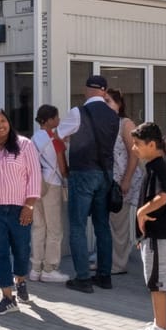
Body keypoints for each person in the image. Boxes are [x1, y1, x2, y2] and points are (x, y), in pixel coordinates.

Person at [62, 74, 120, 293]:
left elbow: (60, 135)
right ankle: (104, 276)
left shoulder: (78, 112)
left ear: (87, 90)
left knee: (77, 226)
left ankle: (83, 279)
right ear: (104, 92)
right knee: (102, 225)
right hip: (105, 174)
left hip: (82, 172)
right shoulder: (114, 116)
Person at [0, 110, 42, 315]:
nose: (0, 125)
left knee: (22, 249)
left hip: (19, 207)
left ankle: (21, 280)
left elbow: (34, 175)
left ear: (9, 122)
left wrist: (29, 205)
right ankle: (8, 297)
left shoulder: (24, 144)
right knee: (0, 253)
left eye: (3, 121)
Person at [128, 122, 166, 330]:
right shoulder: (152, 165)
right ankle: (159, 323)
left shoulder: (158, 167)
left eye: (137, 144)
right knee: (153, 280)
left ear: (151, 144)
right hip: (152, 236)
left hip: (159, 235)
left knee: (157, 283)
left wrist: (141, 211)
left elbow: (163, 197)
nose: (134, 149)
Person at [30, 105, 69, 283]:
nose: (59, 120)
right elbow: (62, 166)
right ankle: (50, 268)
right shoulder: (55, 140)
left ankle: (35, 267)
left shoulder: (33, 139)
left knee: (38, 227)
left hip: (35, 186)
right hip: (52, 184)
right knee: (54, 229)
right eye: (57, 117)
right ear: (50, 120)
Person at [105, 89, 139, 277]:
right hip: (105, 180)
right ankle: (105, 258)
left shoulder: (124, 124)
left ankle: (119, 263)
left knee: (119, 222)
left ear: (119, 104)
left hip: (121, 180)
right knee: (105, 222)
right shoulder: (102, 124)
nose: (105, 105)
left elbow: (134, 152)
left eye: (108, 101)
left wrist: (126, 179)